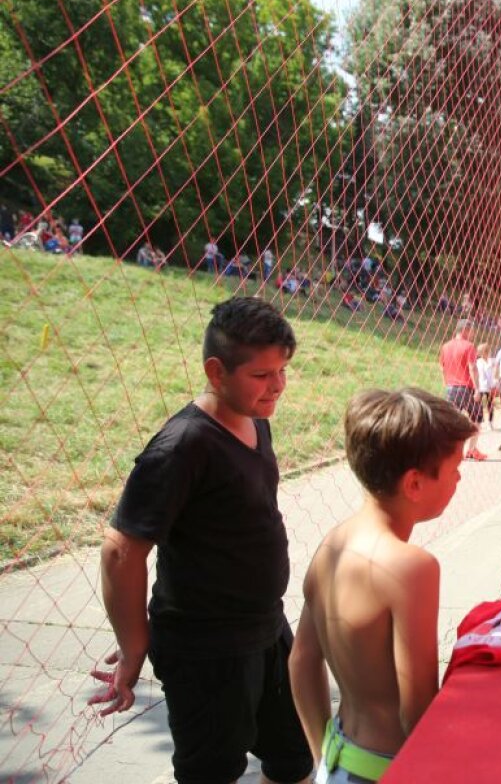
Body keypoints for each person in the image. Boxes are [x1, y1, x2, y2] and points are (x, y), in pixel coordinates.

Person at [90, 297, 311, 784]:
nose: (277, 385)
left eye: (283, 370)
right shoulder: (182, 446)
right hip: (208, 649)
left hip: (267, 630)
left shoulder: (256, 421)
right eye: (261, 375)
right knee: (212, 773)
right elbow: (120, 550)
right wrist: (133, 645)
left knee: (295, 757)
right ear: (217, 371)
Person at [289, 388, 476, 783]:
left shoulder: (333, 543)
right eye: (455, 466)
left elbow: (301, 662)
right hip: (389, 769)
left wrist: (323, 756)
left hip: (340, 757)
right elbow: (417, 710)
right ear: (414, 484)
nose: (460, 476)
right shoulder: (412, 568)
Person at [438, 319, 486, 461]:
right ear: (465, 330)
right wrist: (477, 389)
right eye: (472, 330)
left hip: (451, 388)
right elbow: (472, 368)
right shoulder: (469, 346)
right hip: (466, 387)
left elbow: (442, 367)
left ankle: (448, 450)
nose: (473, 333)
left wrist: (446, 383)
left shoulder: (445, 346)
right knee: (477, 419)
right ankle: (470, 449)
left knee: (452, 420)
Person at [475, 342, 498, 430]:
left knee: (490, 406)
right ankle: (483, 422)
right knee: (482, 406)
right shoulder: (478, 362)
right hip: (482, 387)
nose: (490, 352)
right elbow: (484, 376)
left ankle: (490, 422)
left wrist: (494, 385)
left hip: (490, 387)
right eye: (488, 351)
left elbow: (493, 374)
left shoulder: (491, 361)